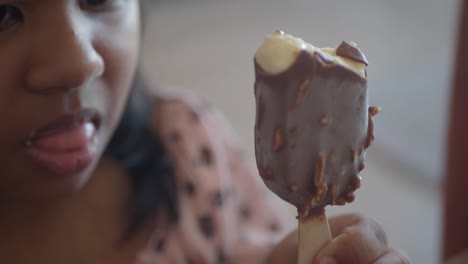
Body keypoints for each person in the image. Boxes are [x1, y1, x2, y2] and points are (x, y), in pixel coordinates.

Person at [0, 1, 411, 263]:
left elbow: (244, 247)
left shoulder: (188, 145)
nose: (78, 63)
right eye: (3, 14)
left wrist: (280, 259)